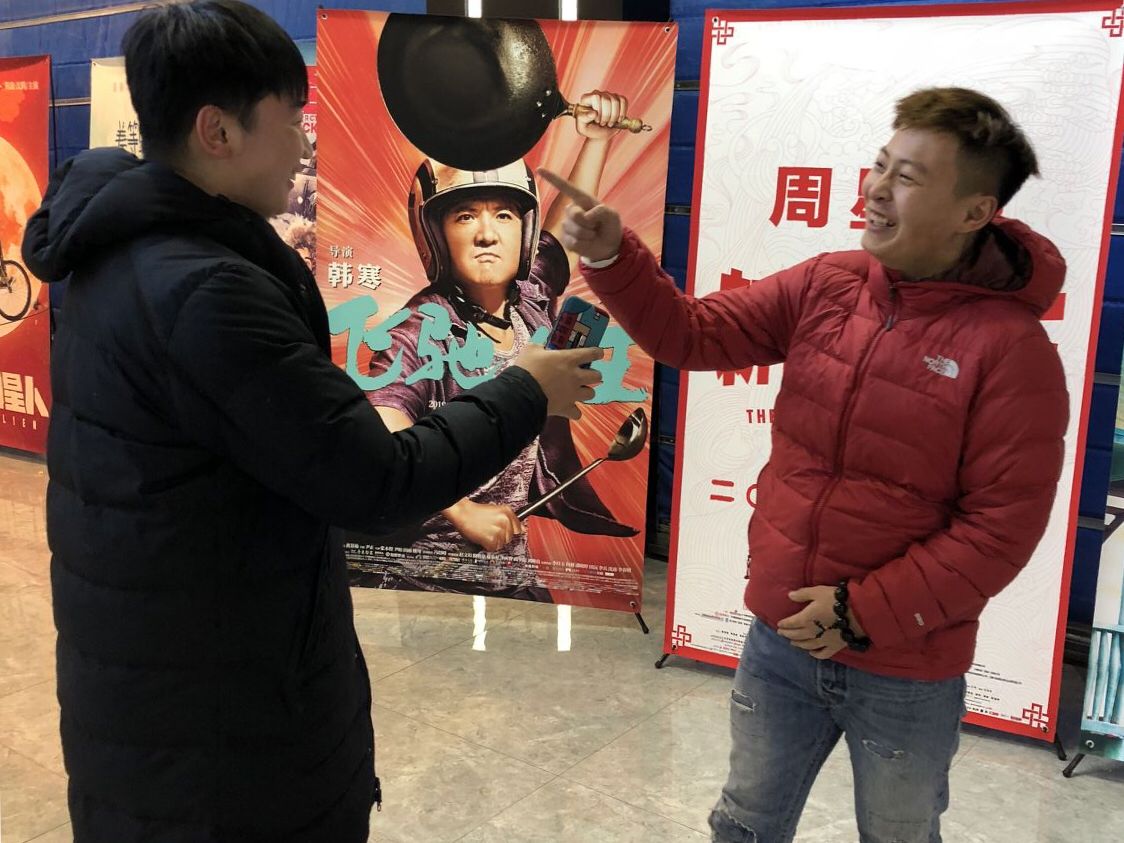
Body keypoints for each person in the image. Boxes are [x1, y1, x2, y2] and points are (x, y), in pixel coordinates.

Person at [21, 2, 601, 840]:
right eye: (292, 120)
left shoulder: (125, 247)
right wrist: (526, 392)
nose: (302, 146)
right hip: (223, 737)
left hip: (174, 675)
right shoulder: (209, 293)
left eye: (505, 214)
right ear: (218, 130)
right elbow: (377, 477)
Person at [542, 86, 1069, 843]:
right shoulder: (830, 283)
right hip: (781, 636)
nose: (876, 189)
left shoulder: (1012, 351)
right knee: (744, 824)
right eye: (880, 165)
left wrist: (860, 613)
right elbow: (693, 334)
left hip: (908, 668)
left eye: (907, 177)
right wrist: (610, 257)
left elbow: (1000, 529)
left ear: (974, 212)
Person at [365, 96, 638, 595]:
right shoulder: (421, 327)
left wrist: (595, 141)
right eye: (465, 216)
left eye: (506, 216)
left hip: (510, 568)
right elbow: (381, 427)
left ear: (524, 232)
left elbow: (564, 235)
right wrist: (461, 510)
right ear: (435, 235)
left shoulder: (528, 301)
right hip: (427, 576)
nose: (487, 235)